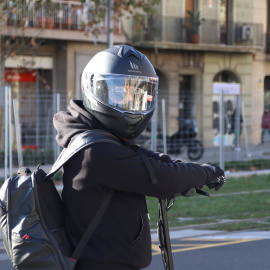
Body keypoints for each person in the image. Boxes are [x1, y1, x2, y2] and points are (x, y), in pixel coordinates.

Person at [53, 44, 225, 270]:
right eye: (118, 93)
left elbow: (146, 159)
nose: (130, 104)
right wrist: (206, 173)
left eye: (137, 95)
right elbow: (161, 179)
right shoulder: (96, 152)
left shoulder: (99, 140)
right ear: (95, 89)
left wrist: (186, 168)